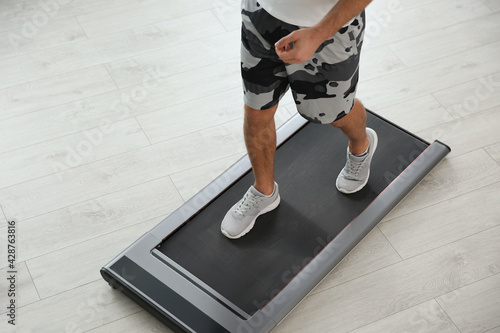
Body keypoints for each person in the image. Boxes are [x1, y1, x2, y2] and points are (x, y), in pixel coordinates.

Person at [221, 0, 377, 239]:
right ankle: (264, 192)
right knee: (256, 110)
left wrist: (317, 34)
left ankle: (361, 146)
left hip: (327, 29)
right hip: (260, 15)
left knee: (334, 114)